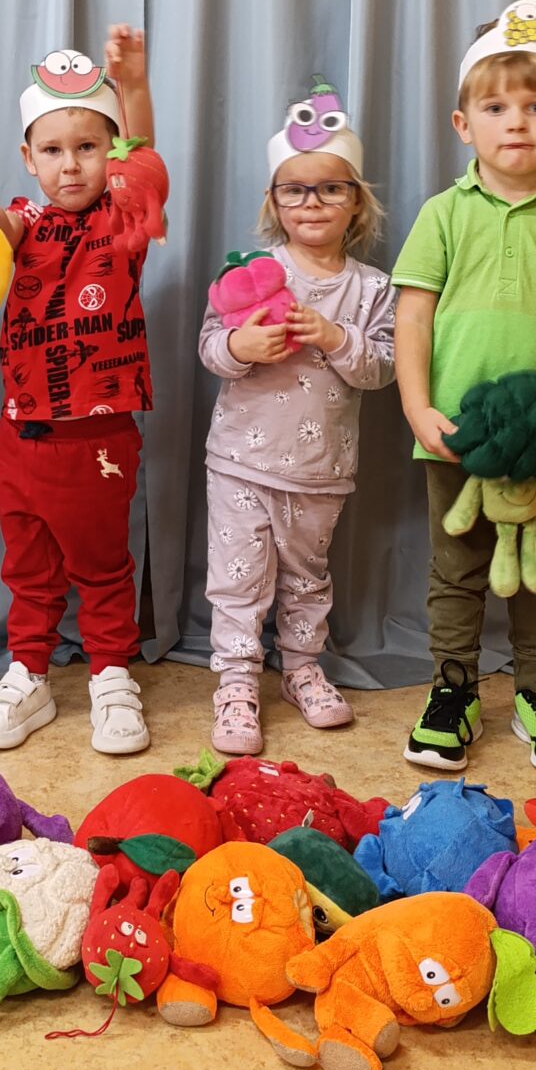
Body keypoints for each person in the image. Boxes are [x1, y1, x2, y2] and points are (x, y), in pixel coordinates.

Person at [391, 0, 536, 776]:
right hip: (457, 435)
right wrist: (417, 407)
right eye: (495, 109)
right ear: (464, 126)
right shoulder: (442, 216)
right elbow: (412, 318)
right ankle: (453, 691)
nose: (517, 123)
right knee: (456, 570)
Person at [0, 27, 162, 755]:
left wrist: (133, 87)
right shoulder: (26, 219)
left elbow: (143, 157)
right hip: (21, 433)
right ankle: (30, 673)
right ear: (29, 158)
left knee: (103, 565)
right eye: (52, 150)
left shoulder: (123, 217)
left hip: (99, 436)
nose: (70, 164)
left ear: (110, 152)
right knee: (28, 565)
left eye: (88, 147)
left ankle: (111, 673)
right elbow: (2, 227)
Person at [198, 82, 396, 754]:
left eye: (330, 189)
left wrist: (335, 337)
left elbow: (383, 368)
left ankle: (302, 669)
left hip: (320, 469)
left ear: (356, 200)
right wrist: (241, 347)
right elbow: (210, 348)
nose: (311, 202)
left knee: (308, 578)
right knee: (237, 579)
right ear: (274, 200)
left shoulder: (372, 289)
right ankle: (236, 682)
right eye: (295, 190)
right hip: (239, 460)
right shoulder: (251, 271)